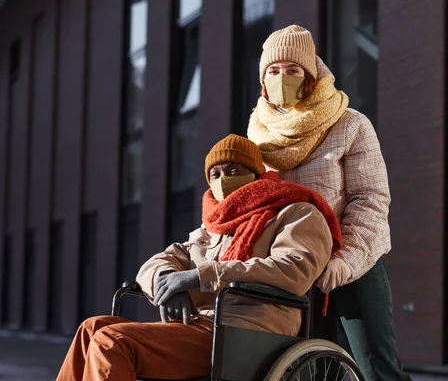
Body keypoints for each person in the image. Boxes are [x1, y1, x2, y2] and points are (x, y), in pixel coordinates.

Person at [56, 134, 341, 381]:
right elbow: (161, 260)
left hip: (246, 330)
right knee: (91, 328)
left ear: (256, 174)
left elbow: (294, 270)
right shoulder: (211, 228)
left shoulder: (295, 213)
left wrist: (197, 276)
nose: (223, 180)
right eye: (215, 175)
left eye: (234, 170)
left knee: (112, 342)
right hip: (199, 326)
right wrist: (167, 282)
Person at [247, 24, 411, 381]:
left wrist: (343, 261)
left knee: (377, 370)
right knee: (309, 371)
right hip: (295, 270)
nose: (282, 77)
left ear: (311, 74)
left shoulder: (349, 125)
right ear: (262, 79)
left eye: (293, 70)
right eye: (273, 71)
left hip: (353, 263)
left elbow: (371, 200)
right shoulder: (256, 137)